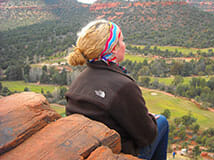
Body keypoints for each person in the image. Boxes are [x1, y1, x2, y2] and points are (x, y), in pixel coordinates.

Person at [65, 19, 169, 160]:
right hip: (119, 152)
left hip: (88, 148)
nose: (124, 45)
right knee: (162, 121)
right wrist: (150, 118)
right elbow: (147, 136)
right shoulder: (124, 86)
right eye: (122, 41)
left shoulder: (78, 81)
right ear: (113, 48)